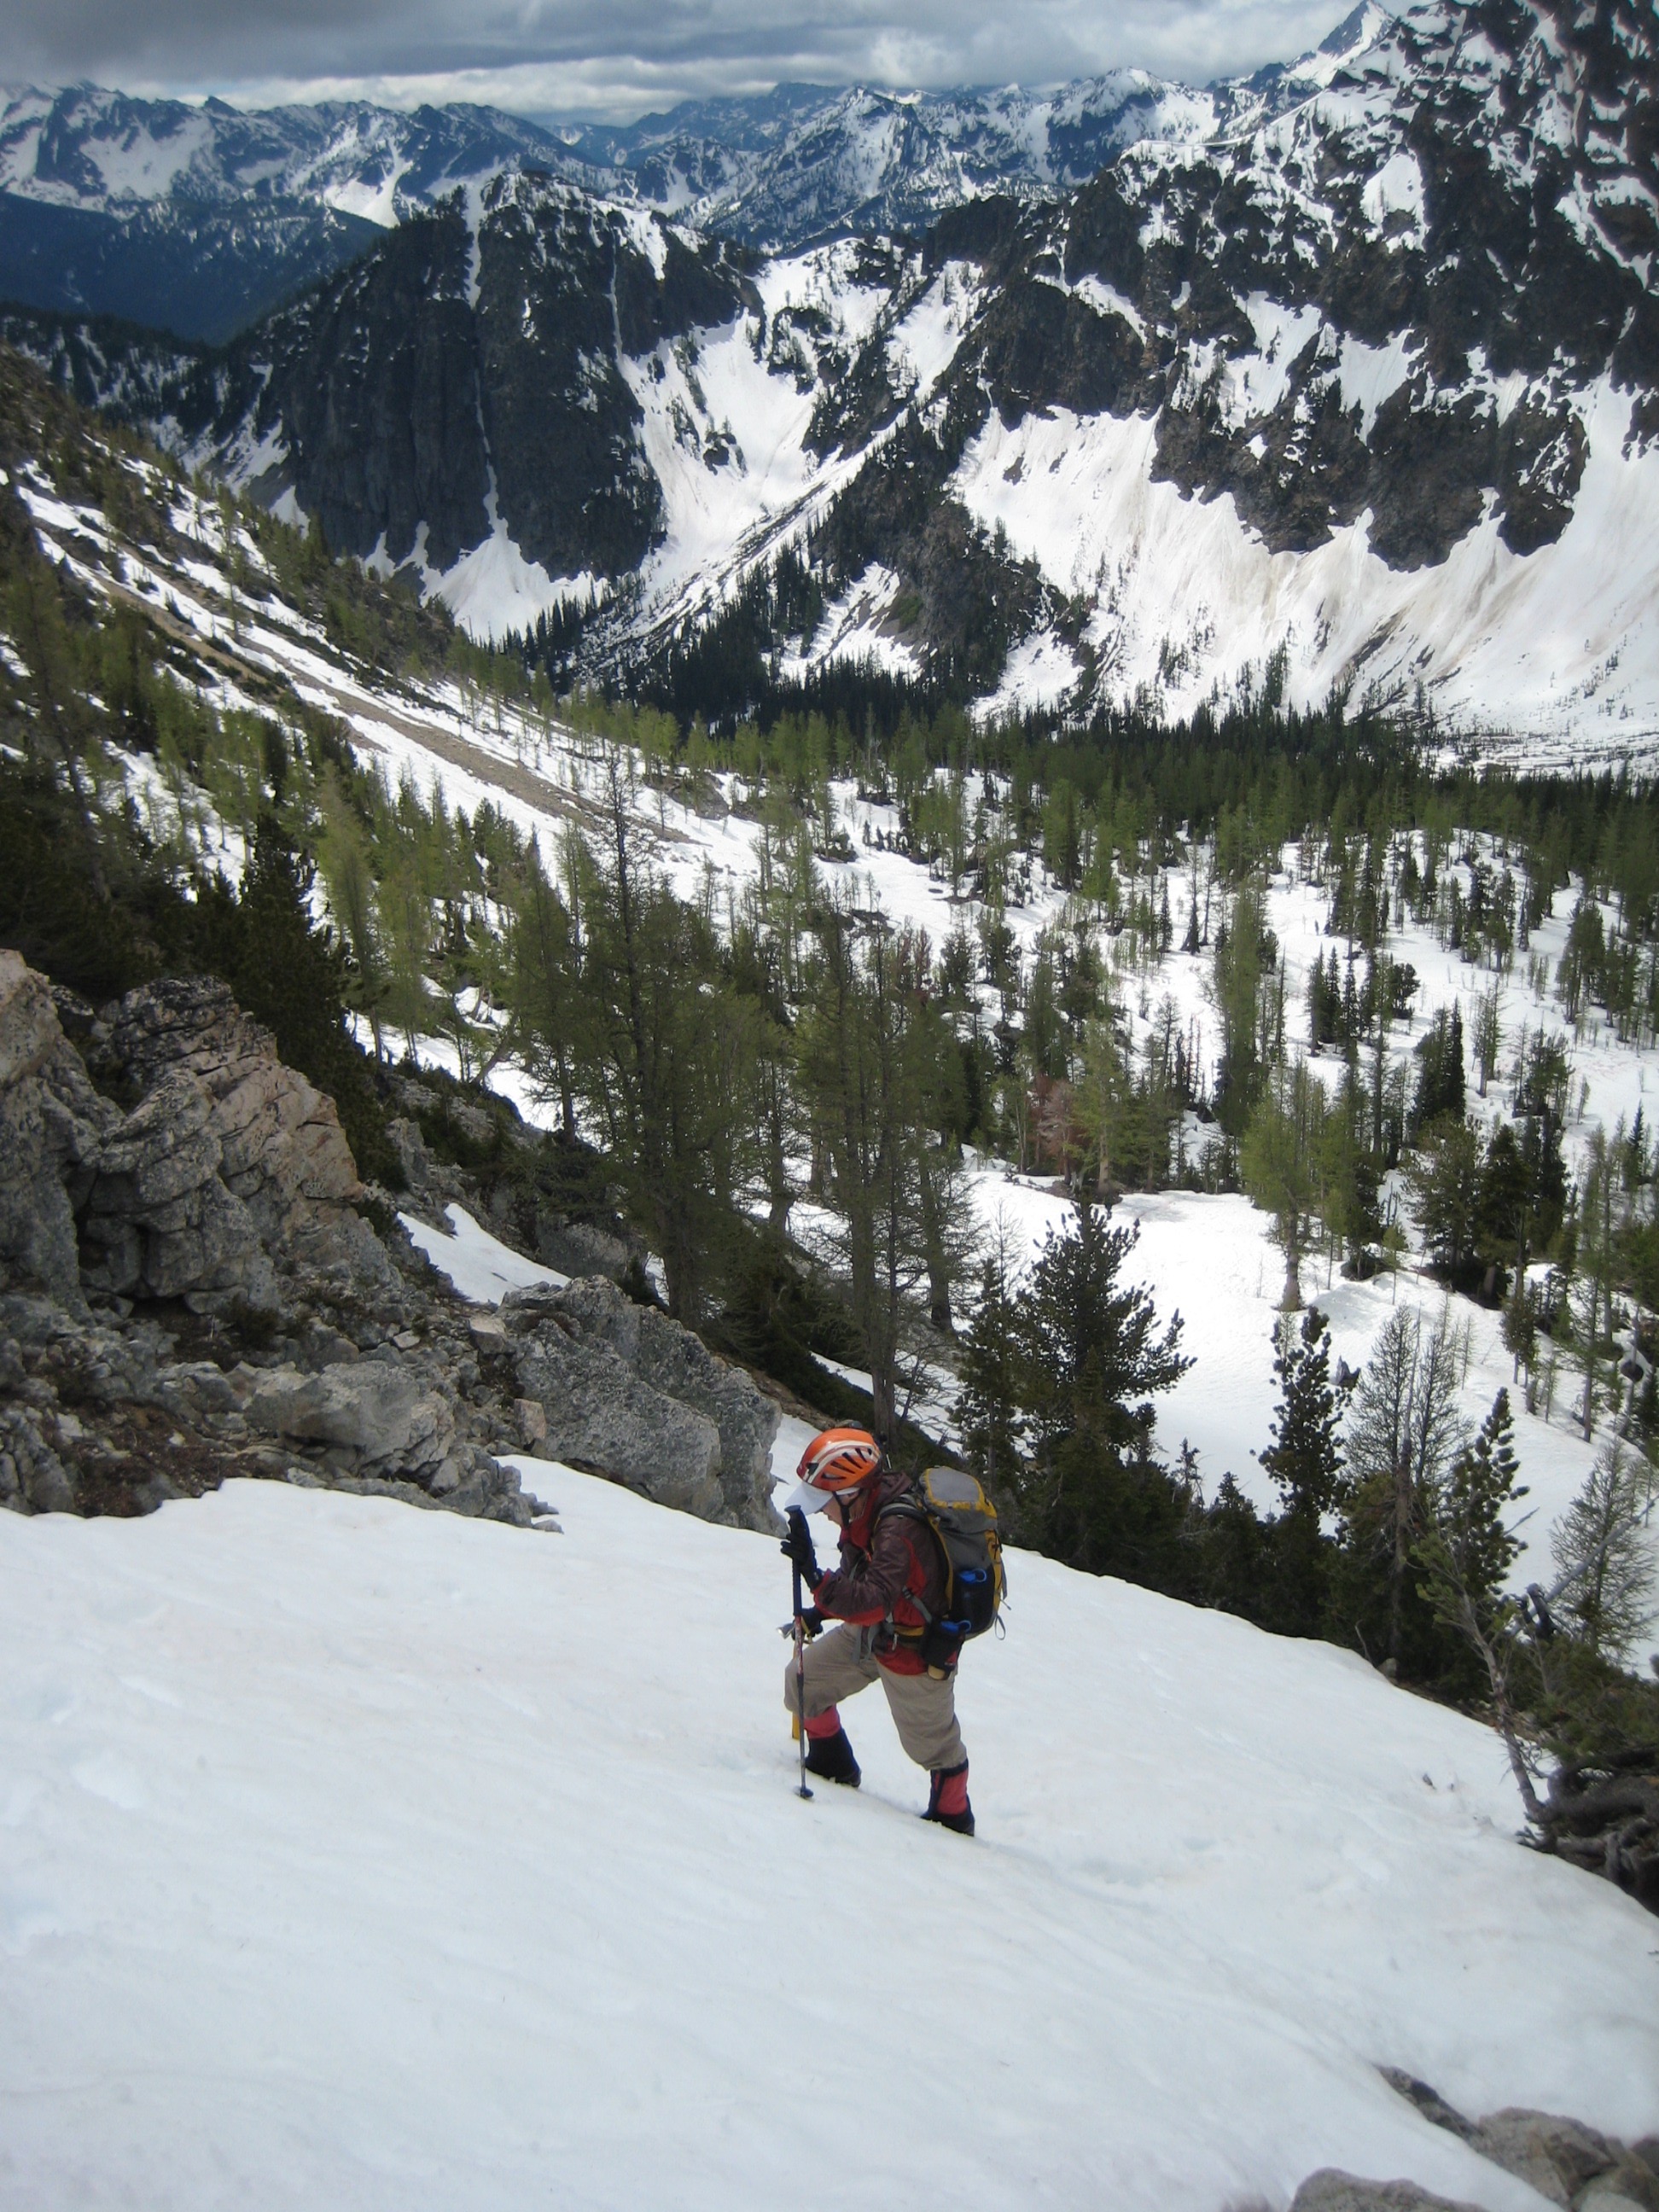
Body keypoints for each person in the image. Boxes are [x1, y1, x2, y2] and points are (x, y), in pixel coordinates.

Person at [779, 1426, 974, 1836]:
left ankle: (953, 1817)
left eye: (824, 1504)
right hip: (874, 1634)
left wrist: (816, 1576)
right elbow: (860, 1584)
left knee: (931, 1746)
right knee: (804, 1683)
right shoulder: (864, 1516)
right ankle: (833, 1765)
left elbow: (874, 1599)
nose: (821, 1513)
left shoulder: (898, 1529)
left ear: (850, 1494)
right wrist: (820, 1611)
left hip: (914, 1650)